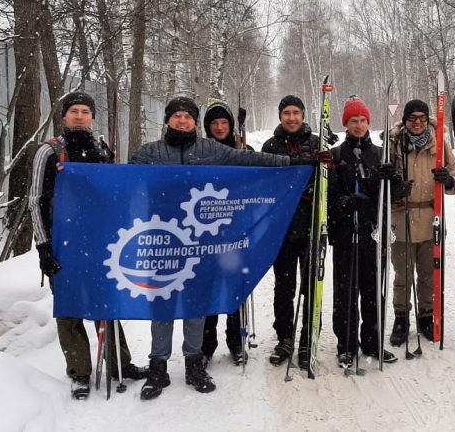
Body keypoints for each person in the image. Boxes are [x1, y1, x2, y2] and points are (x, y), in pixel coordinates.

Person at [129, 96, 319, 399]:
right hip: (162, 238)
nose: (182, 121)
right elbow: (120, 180)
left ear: (194, 122)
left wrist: (292, 164)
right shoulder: (149, 153)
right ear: (167, 120)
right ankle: (158, 365)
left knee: (195, 302)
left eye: (187, 117)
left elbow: (250, 160)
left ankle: (194, 360)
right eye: (176, 116)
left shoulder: (209, 149)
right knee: (162, 302)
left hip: (199, 240)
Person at [28, 91, 147, 400]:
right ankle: (80, 371)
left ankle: (119, 362)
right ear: (64, 116)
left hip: (100, 243)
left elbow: (114, 195)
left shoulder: (102, 150)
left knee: (107, 303)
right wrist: (43, 247)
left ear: (92, 117)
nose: (80, 116)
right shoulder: (49, 151)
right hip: (63, 245)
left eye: (85, 111)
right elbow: (35, 201)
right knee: (69, 309)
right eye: (74, 111)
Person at [327, 96, 400, 368]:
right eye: (353, 120)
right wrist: (346, 202)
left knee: (372, 291)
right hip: (346, 234)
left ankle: (372, 341)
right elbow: (330, 197)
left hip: (373, 233)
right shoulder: (336, 155)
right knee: (345, 293)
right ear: (346, 124)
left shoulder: (381, 154)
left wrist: (391, 179)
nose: (358, 125)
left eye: (362, 120)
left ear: (368, 122)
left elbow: (394, 194)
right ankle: (346, 345)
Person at [386, 99, 455, 346]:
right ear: (405, 120)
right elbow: (383, 175)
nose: (417, 122)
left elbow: (454, 174)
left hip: (430, 216)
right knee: (403, 274)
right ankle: (401, 318)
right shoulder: (394, 143)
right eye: (412, 118)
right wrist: (394, 188)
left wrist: (447, 179)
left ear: (427, 120)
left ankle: (427, 315)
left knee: (428, 274)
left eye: (421, 118)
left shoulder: (439, 143)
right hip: (401, 215)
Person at [261, 94, 324, 370]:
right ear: (280, 116)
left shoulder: (316, 143)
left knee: (312, 287)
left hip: (310, 225)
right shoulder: (270, 145)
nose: (291, 118)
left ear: (303, 115)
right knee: (284, 288)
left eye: (296, 113)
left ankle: (308, 338)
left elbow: (329, 183)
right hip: (282, 229)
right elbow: (262, 183)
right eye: (286, 113)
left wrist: (326, 165)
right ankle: (285, 337)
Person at [201, 99, 252, 366]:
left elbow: (262, 180)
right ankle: (206, 345)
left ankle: (236, 341)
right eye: (215, 123)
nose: (220, 127)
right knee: (208, 289)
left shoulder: (244, 149)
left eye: (224, 122)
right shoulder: (200, 152)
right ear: (207, 127)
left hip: (237, 232)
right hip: (207, 233)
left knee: (235, 288)